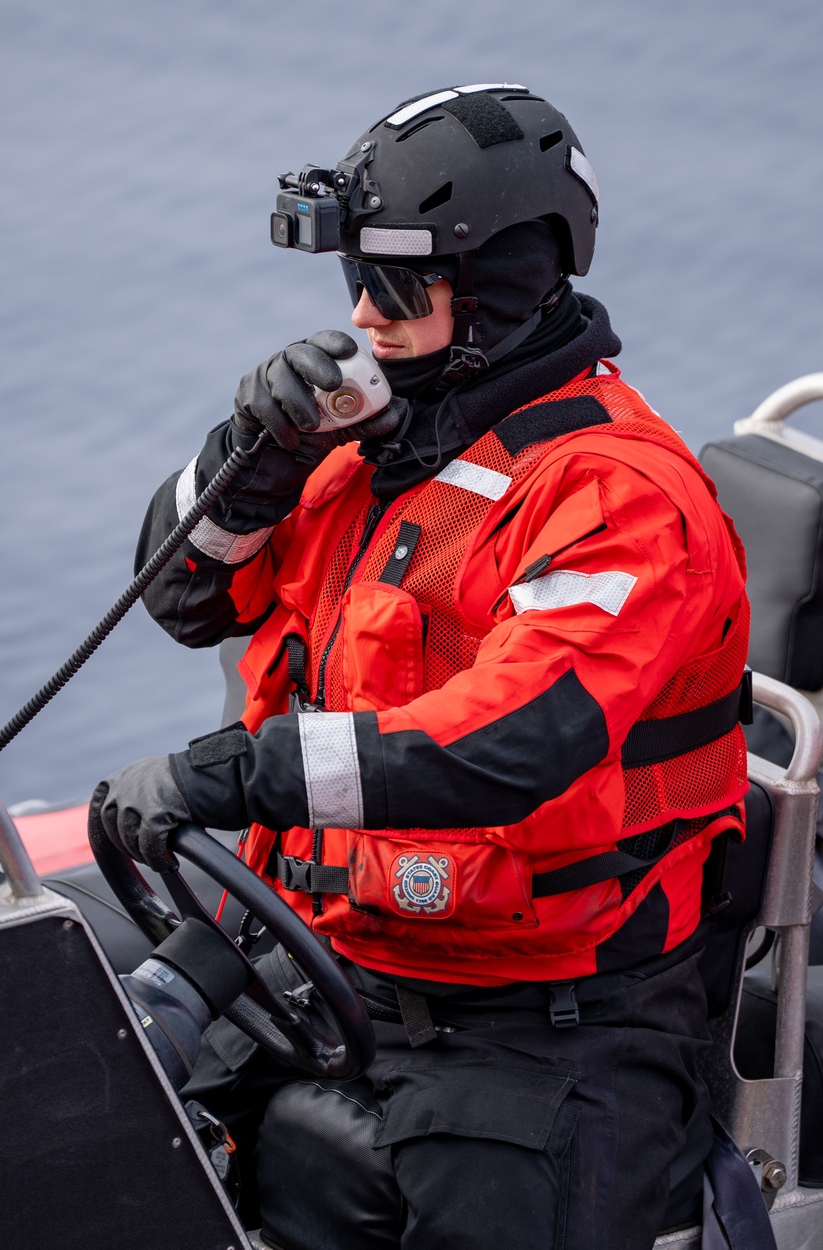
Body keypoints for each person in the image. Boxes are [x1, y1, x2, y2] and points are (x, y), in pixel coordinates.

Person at [94, 84, 752, 1250]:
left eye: (398, 285)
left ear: (501, 281)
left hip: (546, 1018)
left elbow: (509, 744)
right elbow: (187, 601)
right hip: (331, 947)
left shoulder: (617, 499)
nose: (362, 310)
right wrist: (246, 456)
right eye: (355, 279)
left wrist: (238, 774)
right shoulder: (367, 443)